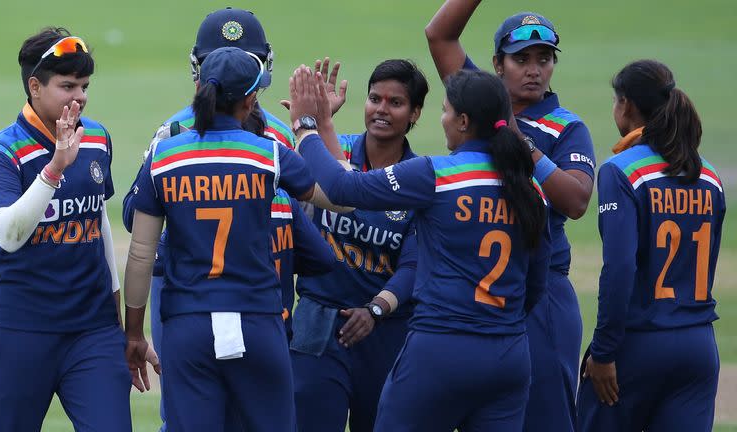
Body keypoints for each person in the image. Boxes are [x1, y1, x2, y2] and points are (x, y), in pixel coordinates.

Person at [291, 65, 550, 431]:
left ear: (462, 121)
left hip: (440, 348)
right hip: (509, 354)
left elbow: (342, 188)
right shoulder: (530, 189)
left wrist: (305, 127)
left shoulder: (437, 175)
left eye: (444, 111)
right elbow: (537, 283)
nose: (442, 119)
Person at [120, 7, 335, 428]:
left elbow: (136, 224)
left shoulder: (172, 138)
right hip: (257, 293)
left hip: (192, 300)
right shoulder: (277, 136)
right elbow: (322, 204)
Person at [426, 3, 595, 430]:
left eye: (544, 59)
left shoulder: (566, 127)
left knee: (546, 418)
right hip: (474, 292)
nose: (534, 70)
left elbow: (575, 201)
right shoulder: (478, 99)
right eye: (521, 59)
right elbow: (439, 36)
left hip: (542, 293)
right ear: (497, 64)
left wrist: (518, 141)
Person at [0, 27, 131, 431]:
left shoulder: (96, 139)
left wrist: (117, 319)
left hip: (91, 331)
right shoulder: (2, 153)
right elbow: (8, 236)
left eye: (84, 85)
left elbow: (97, 221)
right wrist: (54, 168)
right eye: (66, 86)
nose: (78, 96)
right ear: (34, 86)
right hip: (19, 330)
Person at [577, 60, 724, 432]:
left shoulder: (621, 170)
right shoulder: (710, 177)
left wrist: (604, 350)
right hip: (698, 347)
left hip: (638, 344)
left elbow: (620, 268)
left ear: (625, 105)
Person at [290, 58, 426, 432]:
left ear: (415, 113)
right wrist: (318, 125)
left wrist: (375, 309)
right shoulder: (333, 150)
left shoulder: (419, 178)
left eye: (395, 103)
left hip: (385, 333)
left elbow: (414, 266)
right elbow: (289, 170)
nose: (381, 110)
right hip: (317, 322)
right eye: (374, 98)